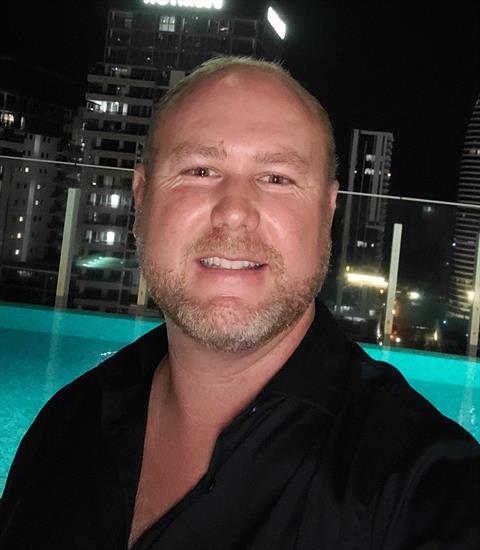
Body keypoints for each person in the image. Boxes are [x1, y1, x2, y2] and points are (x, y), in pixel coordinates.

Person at [1, 56, 479, 550]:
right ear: (141, 199)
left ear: (327, 212)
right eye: (201, 170)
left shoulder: (425, 488)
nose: (233, 213)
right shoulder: (66, 425)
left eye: (276, 178)